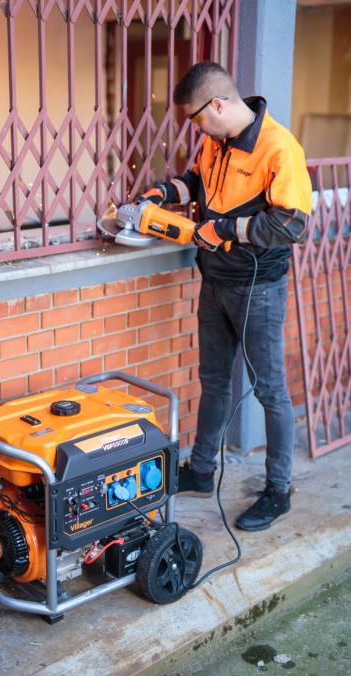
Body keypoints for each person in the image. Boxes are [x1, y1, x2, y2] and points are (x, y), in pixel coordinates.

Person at [139, 61, 312, 531]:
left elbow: (292, 224)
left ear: (217, 105)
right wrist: (160, 192)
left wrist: (227, 230)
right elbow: (197, 181)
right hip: (214, 281)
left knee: (270, 390)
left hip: (258, 289)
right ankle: (201, 471)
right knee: (214, 381)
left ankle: (278, 491)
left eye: (196, 118)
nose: (195, 128)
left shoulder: (278, 147)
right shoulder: (214, 142)